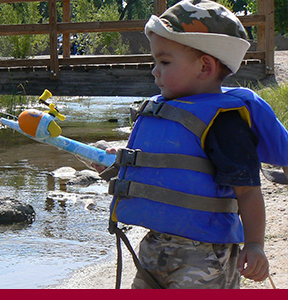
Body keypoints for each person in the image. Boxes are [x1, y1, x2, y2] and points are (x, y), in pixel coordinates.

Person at [95, 0, 288, 289]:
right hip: (154, 247)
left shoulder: (224, 123)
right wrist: (121, 159)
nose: (154, 71)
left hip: (205, 256)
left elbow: (248, 192)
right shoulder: (164, 111)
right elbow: (164, 163)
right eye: (155, 61)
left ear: (205, 66)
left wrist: (255, 244)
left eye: (165, 61)